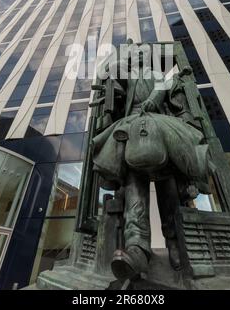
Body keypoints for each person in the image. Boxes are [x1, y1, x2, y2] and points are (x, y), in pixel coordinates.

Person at [92, 42, 212, 280]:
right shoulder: (126, 76)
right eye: (135, 55)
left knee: (167, 189)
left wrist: (154, 100)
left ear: (148, 59)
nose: (138, 57)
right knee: (134, 184)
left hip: (157, 126)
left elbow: (161, 88)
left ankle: (174, 242)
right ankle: (137, 248)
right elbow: (112, 76)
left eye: (142, 55)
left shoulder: (157, 75)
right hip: (132, 130)